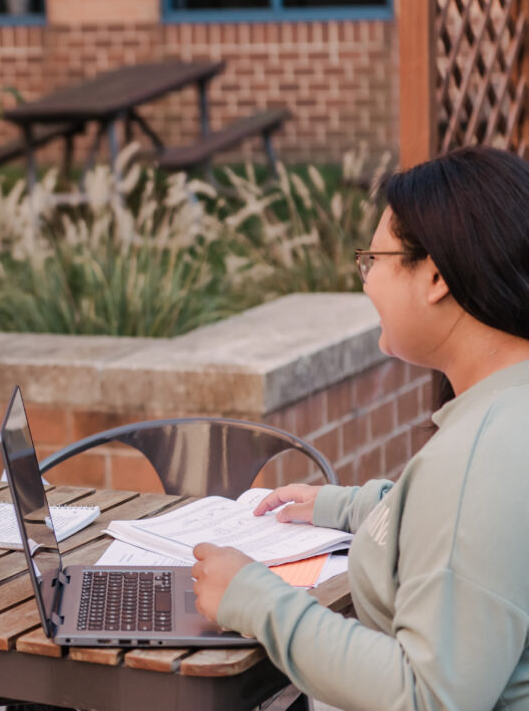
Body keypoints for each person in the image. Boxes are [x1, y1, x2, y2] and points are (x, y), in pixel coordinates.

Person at [190, 144, 529, 710]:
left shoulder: (480, 458)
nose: (366, 281)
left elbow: (429, 697)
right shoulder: (505, 414)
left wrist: (257, 599)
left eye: (374, 259)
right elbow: (473, 543)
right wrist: (357, 506)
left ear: (437, 276)